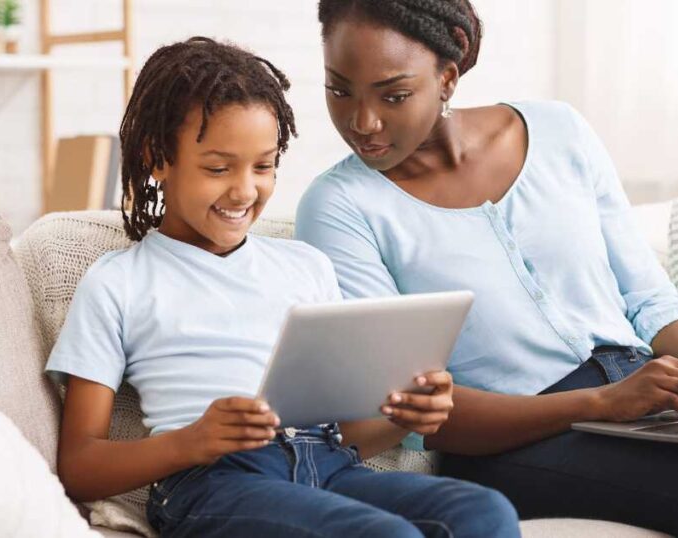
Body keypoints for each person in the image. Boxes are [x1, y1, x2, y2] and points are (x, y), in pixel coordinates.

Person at [295, 2, 678, 536]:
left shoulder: (559, 131)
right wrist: (603, 404)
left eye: (392, 94)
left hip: (642, 388)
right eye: (339, 90)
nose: (362, 122)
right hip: (515, 437)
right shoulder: (341, 207)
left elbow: (648, 295)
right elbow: (415, 406)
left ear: (447, 78)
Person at [46, 36, 520, 538]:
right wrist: (192, 441)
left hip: (329, 466)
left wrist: (404, 415)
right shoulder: (118, 281)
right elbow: (80, 464)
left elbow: (348, 437)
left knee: (483, 513)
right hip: (216, 484)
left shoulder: (306, 266)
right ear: (157, 157)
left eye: (264, 166)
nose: (244, 190)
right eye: (217, 168)